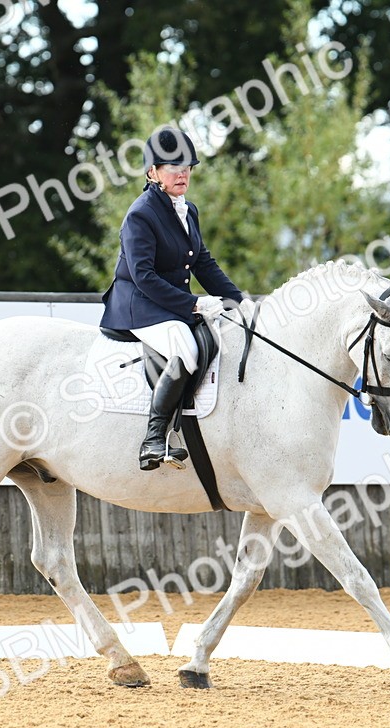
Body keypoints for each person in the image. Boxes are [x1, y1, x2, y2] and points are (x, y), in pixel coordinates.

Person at [99, 128, 245, 471]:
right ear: (152, 172)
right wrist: (193, 304)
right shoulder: (141, 214)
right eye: (172, 166)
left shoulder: (187, 209)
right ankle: (153, 439)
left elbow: (203, 262)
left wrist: (237, 300)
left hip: (168, 302)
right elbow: (143, 277)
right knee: (185, 348)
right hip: (138, 304)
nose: (182, 173)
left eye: (187, 167)